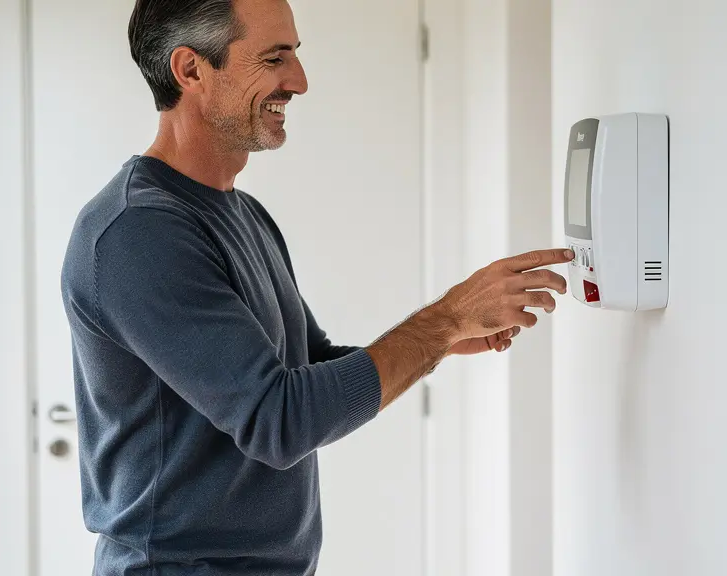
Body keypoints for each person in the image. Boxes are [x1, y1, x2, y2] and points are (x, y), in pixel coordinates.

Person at [60, 0, 574, 574]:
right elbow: (281, 421)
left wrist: (442, 341)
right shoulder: (140, 231)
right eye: (274, 58)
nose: (299, 82)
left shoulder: (243, 214)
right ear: (191, 70)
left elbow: (305, 369)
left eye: (295, 56)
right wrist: (445, 319)